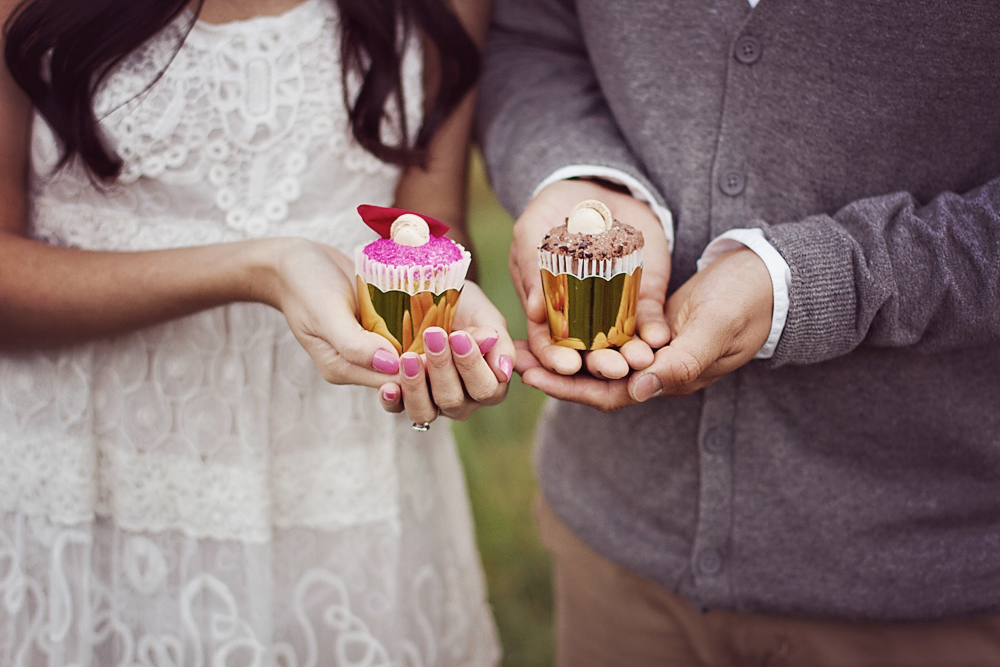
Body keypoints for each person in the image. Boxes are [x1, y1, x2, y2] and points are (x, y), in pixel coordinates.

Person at [477, 0, 1000, 665]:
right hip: (619, 542)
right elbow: (531, 41)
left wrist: (807, 283)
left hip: (922, 580)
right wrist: (580, 179)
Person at [0, 0, 510, 663]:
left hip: (338, 477)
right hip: (91, 474)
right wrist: (257, 268)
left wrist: (440, 334)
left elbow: (431, 218)